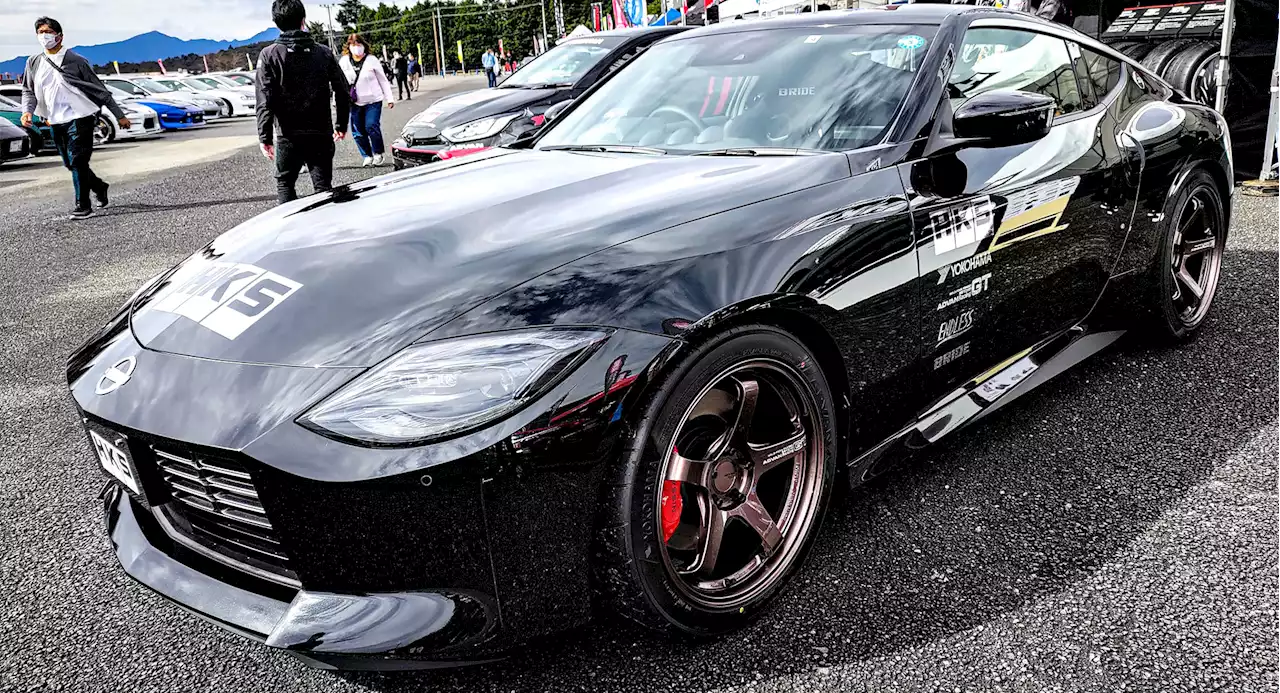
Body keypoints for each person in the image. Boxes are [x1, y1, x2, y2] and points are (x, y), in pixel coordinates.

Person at [20, 17, 130, 219]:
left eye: (48, 32)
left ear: (60, 36)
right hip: (54, 120)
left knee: (78, 160)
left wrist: (119, 115)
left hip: (80, 117)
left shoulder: (77, 61)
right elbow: (28, 90)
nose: (44, 36)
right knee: (69, 163)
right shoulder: (33, 62)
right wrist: (27, 111)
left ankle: (83, 205)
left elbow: (100, 91)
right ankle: (99, 186)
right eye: (40, 32)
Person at [256, 0, 350, 205]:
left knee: (285, 182)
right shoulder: (323, 53)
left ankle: (291, 231)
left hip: (288, 136)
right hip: (321, 132)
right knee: (323, 186)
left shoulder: (269, 55)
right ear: (303, 20)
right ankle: (325, 230)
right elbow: (342, 90)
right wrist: (341, 124)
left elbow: (265, 98)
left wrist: (265, 136)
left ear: (276, 23)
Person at [339, 34, 395, 167]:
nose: (356, 48)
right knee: (357, 131)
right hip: (354, 101)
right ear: (349, 47)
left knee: (371, 125)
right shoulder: (344, 61)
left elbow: (383, 80)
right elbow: (339, 82)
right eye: (353, 45)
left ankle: (378, 152)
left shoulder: (372, 60)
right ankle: (367, 155)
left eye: (358, 44)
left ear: (363, 45)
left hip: (373, 100)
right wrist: (338, 101)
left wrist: (390, 98)